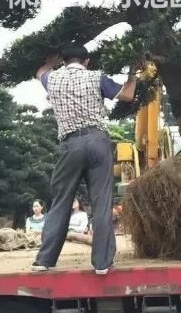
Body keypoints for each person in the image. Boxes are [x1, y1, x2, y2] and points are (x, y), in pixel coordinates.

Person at [31, 44, 138, 274]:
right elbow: (128, 95)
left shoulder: (52, 79)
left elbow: (39, 72)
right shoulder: (96, 77)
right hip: (97, 141)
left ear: (63, 61)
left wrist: (50, 61)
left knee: (60, 201)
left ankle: (45, 260)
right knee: (101, 202)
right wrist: (133, 72)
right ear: (87, 61)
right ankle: (102, 263)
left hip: (69, 144)